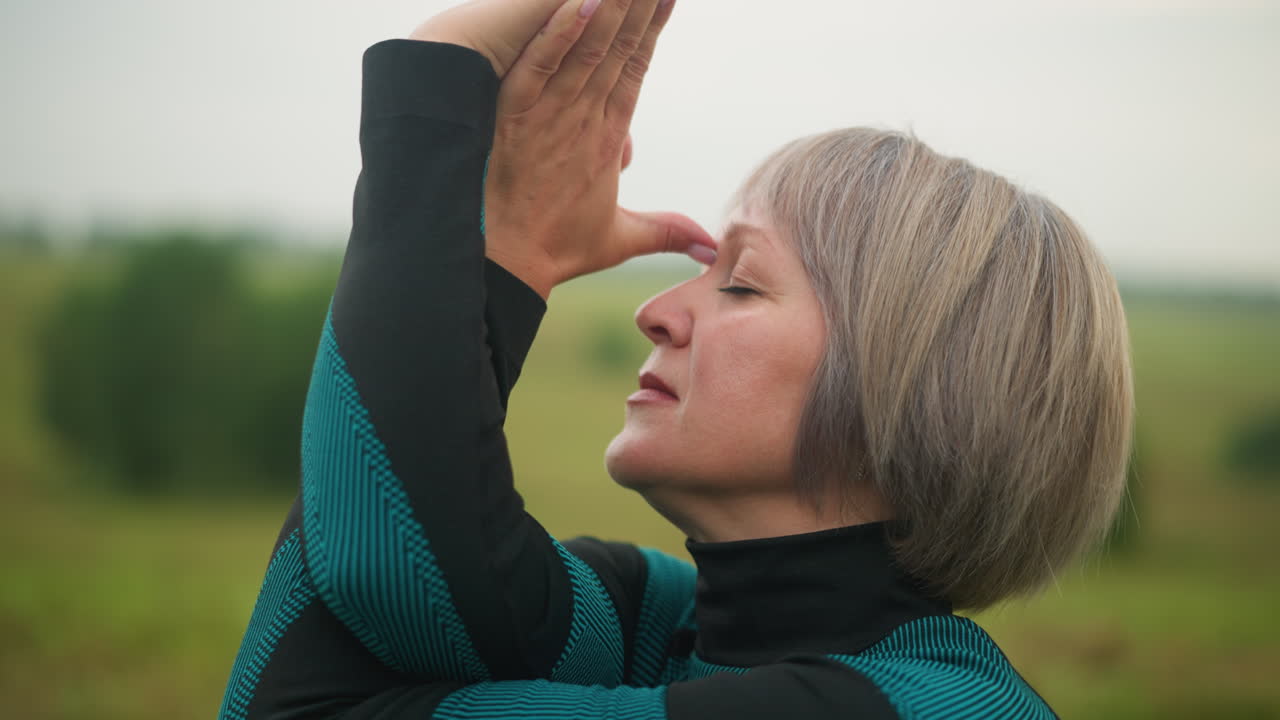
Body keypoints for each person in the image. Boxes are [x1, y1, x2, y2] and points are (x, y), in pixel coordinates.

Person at [219, 0, 1134, 718]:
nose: (656, 314)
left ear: (910, 392)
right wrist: (504, 256)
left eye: (740, 284)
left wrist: (437, 97)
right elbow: (400, 568)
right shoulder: (659, 619)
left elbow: (306, 690)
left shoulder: (923, 711)